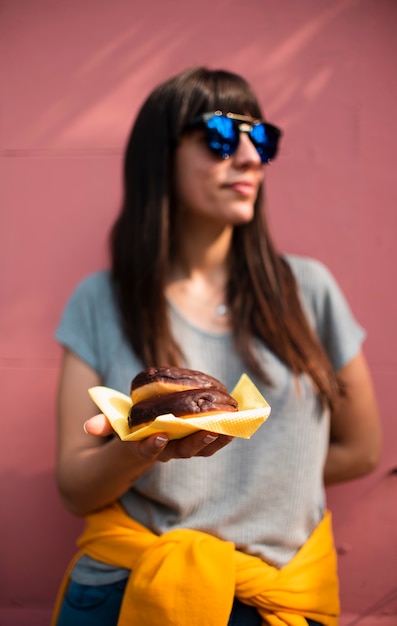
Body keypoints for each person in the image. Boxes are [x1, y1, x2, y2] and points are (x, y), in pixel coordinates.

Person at [51, 66, 381, 626]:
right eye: (222, 137)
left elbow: (363, 449)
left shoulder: (308, 289)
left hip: (278, 597)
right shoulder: (101, 299)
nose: (251, 157)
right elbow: (75, 486)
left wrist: (259, 479)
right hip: (129, 591)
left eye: (263, 138)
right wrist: (136, 452)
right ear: (160, 155)